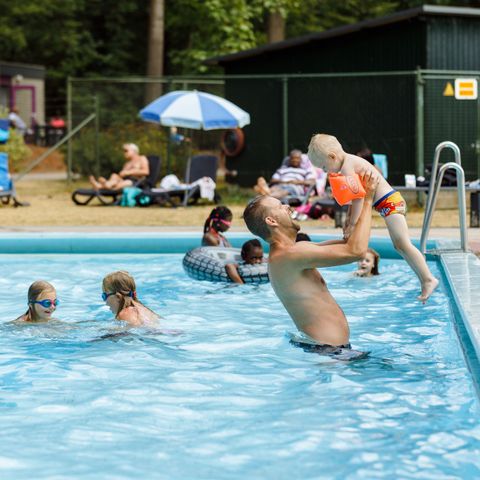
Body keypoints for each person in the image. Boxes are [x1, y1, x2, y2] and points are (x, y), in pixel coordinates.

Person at [243, 170, 378, 356]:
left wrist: (355, 197)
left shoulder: (295, 250)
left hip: (329, 350)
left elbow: (349, 242)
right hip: (327, 352)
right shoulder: (289, 255)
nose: (288, 207)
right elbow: (356, 251)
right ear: (271, 220)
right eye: (280, 206)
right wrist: (368, 199)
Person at [308, 133, 438, 303]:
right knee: (399, 246)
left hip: (390, 202)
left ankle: (428, 279)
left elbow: (358, 199)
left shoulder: (347, 167)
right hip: (387, 203)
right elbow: (354, 197)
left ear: (332, 157)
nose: (326, 172)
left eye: (325, 167)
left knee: (403, 244)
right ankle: (424, 279)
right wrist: (349, 220)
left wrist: (353, 223)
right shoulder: (349, 162)